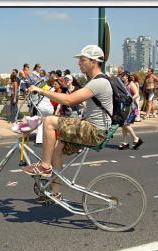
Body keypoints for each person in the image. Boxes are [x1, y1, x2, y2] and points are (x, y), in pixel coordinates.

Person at [22, 44, 113, 203]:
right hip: (92, 127)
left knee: (49, 121)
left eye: (82, 60)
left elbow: (70, 100)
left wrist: (42, 91)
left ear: (93, 61)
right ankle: (55, 193)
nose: (79, 63)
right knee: (57, 149)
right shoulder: (94, 81)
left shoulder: (99, 82)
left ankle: (44, 166)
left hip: (94, 131)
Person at [118, 72, 143, 150]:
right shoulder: (123, 84)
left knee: (125, 123)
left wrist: (130, 99)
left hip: (132, 107)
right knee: (123, 125)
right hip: (125, 107)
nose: (122, 77)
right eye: (121, 76)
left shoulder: (131, 84)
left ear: (127, 77)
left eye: (123, 76)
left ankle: (136, 139)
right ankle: (125, 142)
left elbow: (137, 94)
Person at [34, 74, 55, 146]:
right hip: (49, 108)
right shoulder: (53, 89)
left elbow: (36, 92)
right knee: (49, 125)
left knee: (40, 123)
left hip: (41, 107)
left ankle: (39, 140)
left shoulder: (43, 86)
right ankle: (48, 140)